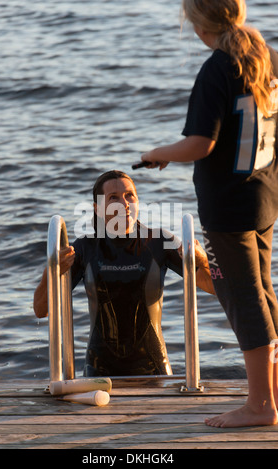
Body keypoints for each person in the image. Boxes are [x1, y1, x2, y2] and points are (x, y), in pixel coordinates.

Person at [141, 0, 278, 427]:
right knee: (265, 295)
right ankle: (272, 395)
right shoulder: (266, 55)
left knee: (243, 301)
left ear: (198, 24)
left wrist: (157, 153)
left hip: (228, 207)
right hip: (265, 194)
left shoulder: (218, 68)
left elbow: (201, 144)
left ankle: (260, 406)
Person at [34, 170, 214, 377]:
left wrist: (202, 260)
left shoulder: (159, 242)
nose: (124, 203)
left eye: (130, 195)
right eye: (113, 198)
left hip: (154, 368)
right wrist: (51, 271)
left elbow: (215, 288)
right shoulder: (85, 248)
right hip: (98, 369)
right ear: (97, 208)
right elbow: (41, 310)